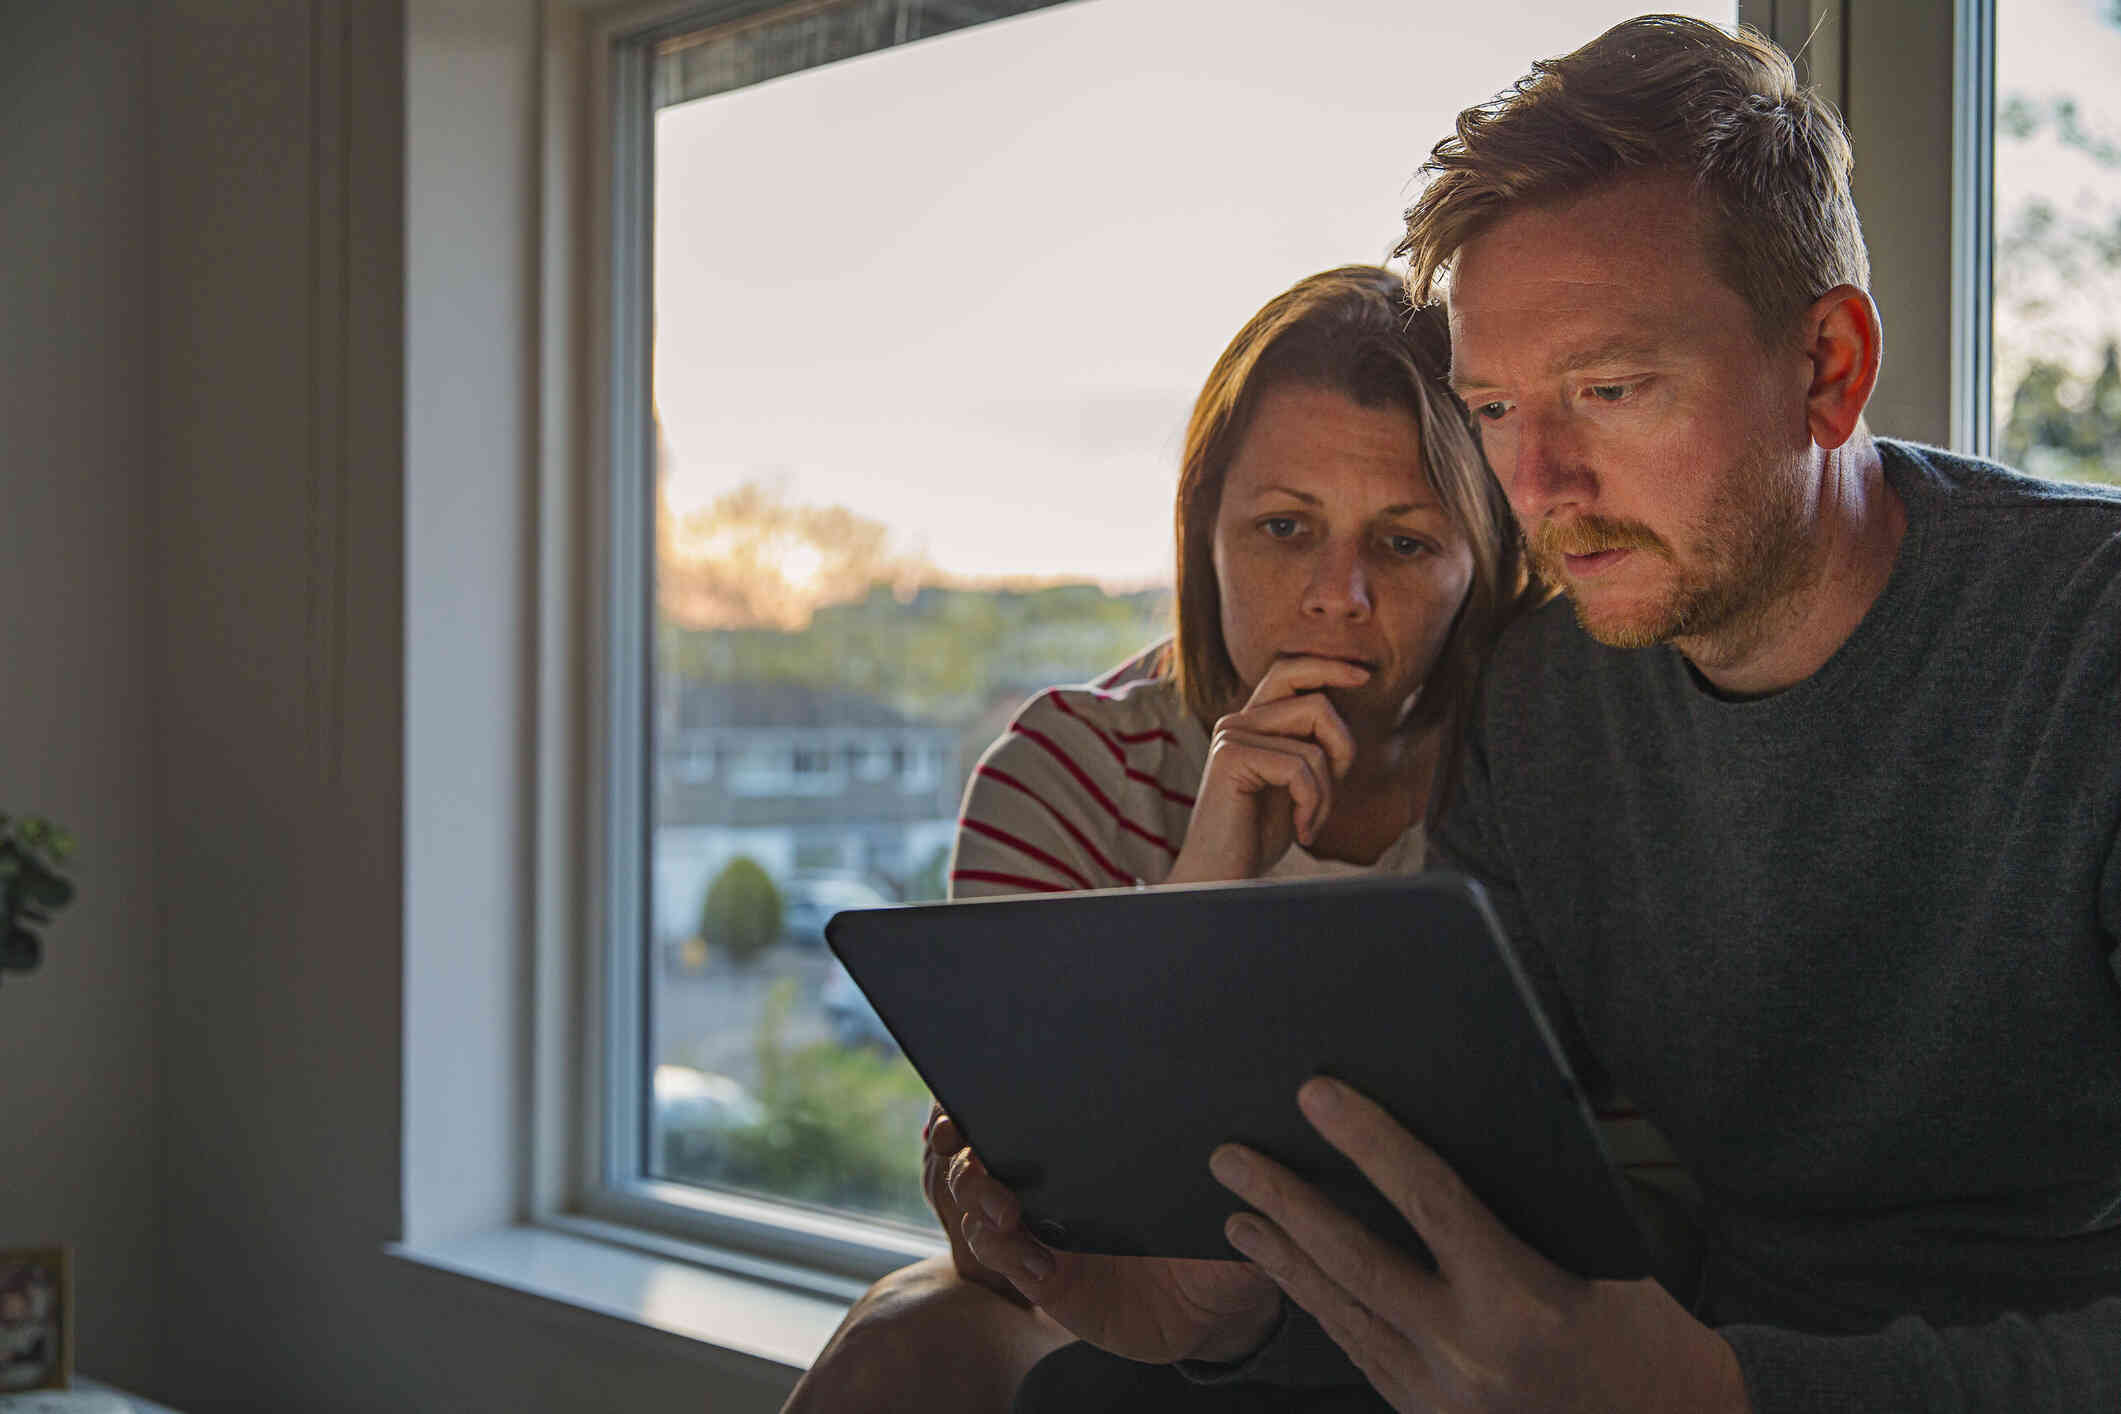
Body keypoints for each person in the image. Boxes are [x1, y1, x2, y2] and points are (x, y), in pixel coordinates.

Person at [946, 15, 2121, 1414]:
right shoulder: (1546, 695)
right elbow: (1466, 1181)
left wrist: (1723, 1395)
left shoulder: (2088, 650)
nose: (1540, 481)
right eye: (1495, 407)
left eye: (1611, 390)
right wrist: (1217, 1320)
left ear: (1827, 368)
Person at [779, 265, 1577, 1413]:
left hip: (1482, 1321)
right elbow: (1051, 1227)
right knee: (901, 1340)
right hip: (1166, 1313)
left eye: (1403, 544)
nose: (1336, 594)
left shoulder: (1556, 760)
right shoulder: (1065, 773)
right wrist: (1212, 883)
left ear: (1483, 560)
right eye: (1284, 528)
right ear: (1203, 533)